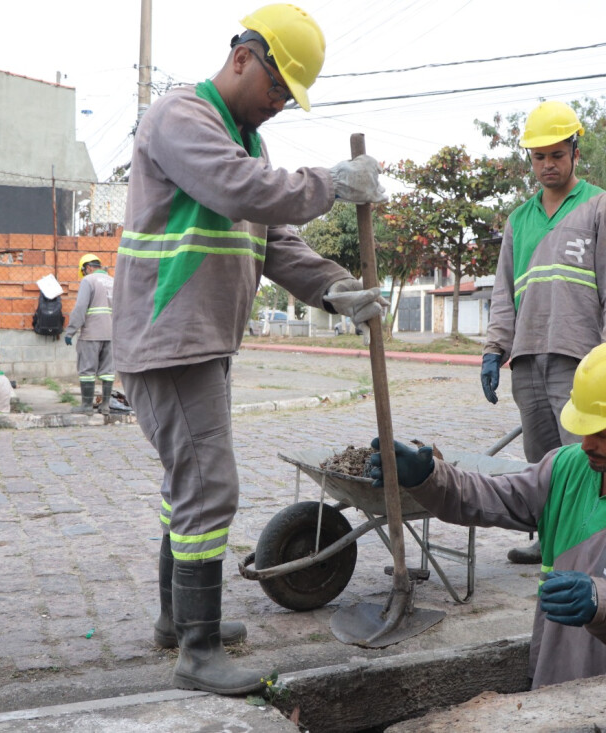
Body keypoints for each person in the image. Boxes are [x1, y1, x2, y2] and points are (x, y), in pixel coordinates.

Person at [112, 4, 387, 696]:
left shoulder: (245, 143)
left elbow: (276, 242)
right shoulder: (181, 118)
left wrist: (336, 290)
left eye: (289, 97)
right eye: (277, 88)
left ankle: (179, 621)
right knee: (211, 486)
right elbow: (240, 189)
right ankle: (199, 649)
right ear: (243, 58)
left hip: (198, 342)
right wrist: (331, 184)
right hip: (170, 340)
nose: (279, 105)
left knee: (190, 486)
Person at [373, 340, 606, 689]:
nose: (586, 444)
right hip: (553, 687)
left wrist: (603, 601)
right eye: (583, 429)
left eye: (602, 434)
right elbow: (494, 496)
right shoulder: (567, 467)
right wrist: (430, 477)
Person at [480, 100, 606, 564]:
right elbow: (504, 294)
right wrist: (494, 349)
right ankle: (551, 541)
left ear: (575, 152)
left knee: (589, 459)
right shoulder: (519, 220)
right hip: (528, 359)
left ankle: (593, 548)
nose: (548, 165)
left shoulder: (602, 208)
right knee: (543, 463)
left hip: (581, 359)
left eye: (556, 154)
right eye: (538, 156)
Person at [64, 253, 115, 415]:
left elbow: (80, 308)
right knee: (108, 371)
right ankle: (105, 405)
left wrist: (70, 331)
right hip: (112, 334)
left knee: (87, 371)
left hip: (91, 333)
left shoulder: (88, 280)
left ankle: (86, 406)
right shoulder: (113, 281)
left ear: (87, 268)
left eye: (84, 271)